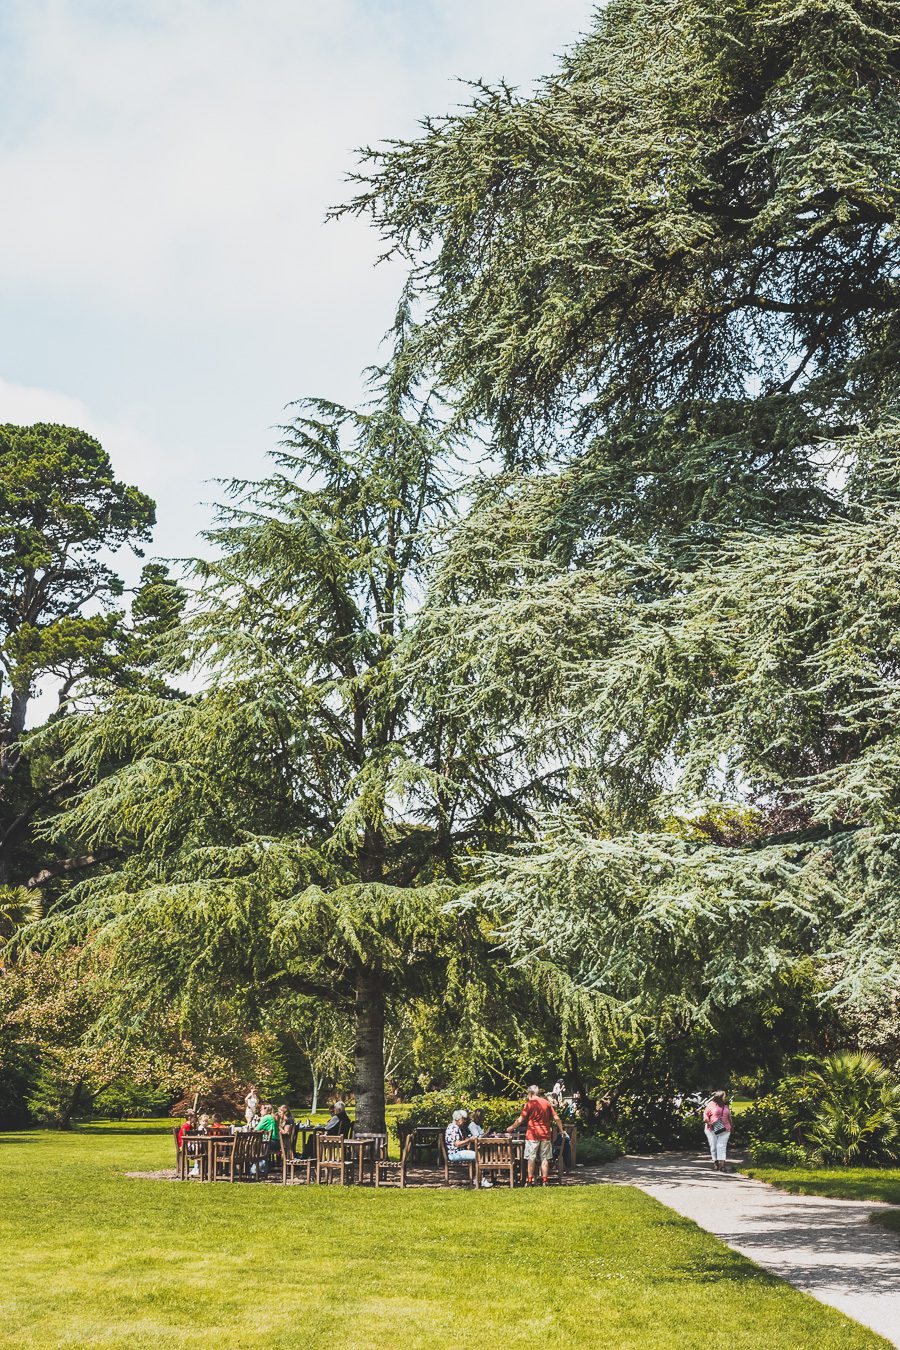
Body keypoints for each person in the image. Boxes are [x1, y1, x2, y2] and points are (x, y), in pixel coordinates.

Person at [507, 1085, 564, 1186]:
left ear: (531, 1093)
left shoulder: (529, 1104)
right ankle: (545, 1181)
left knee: (531, 1158)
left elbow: (520, 1119)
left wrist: (511, 1128)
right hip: (545, 1135)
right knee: (544, 1158)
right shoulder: (547, 1103)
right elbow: (556, 1118)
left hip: (532, 1135)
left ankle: (529, 1181)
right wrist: (561, 1130)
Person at [703, 1091, 733, 1171]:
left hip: (725, 1129)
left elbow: (729, 1117)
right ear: (720, 1097)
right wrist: (709, 1122)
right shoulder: (711, 1105)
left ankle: (722, 1165)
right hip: (712, 1129)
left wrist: (731, 1126)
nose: (726, 1098)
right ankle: (715, 1162)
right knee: (714, 1146)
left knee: (721, 1146)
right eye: (724, 1096)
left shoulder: (725, 1105)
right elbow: (705, 1115)